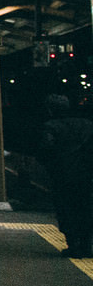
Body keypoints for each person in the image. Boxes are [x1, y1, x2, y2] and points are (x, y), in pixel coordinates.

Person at [38, 94, 93, 259]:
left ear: (50, 109)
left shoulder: (51, 126)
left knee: (66, 210)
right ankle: (86, 245)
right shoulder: (87, 125)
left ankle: (73, 246)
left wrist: (52, 166)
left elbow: (45, 150)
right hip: (86, 177)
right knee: (86, 209)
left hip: (62, 178)